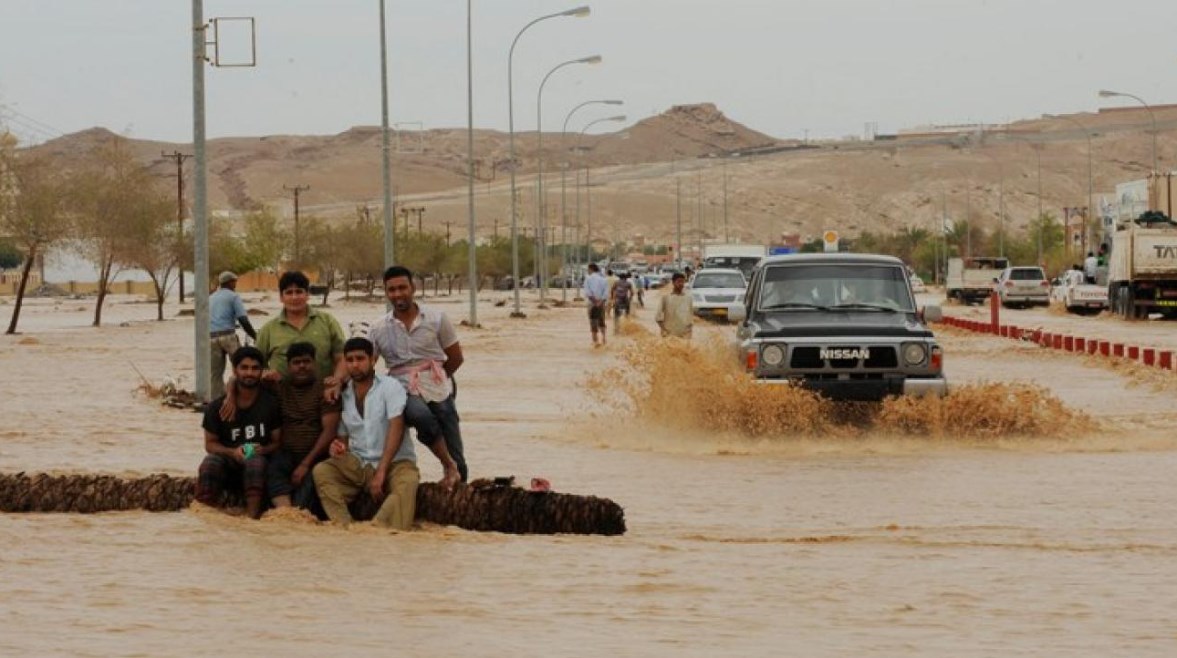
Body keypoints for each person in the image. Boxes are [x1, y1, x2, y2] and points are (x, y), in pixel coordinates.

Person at [368, 266, 464, 486]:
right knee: (420, 416)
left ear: (413, 288)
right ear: (386, 292)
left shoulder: (437, 319)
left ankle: (460, 488)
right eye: (392, 289)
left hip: (437, 385)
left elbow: (456, 357)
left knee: (453, 437)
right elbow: (368, 363)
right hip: (400, 388)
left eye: (402, 287)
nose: (397, 294)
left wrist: (438, 377)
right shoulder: (378, 328)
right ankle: (448, 465)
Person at [313, 337, 420, 530]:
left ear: (372, 360)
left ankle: (377, 528)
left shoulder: (390, 387)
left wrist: (381, 471)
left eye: (360, 359)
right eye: (350, 360)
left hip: (396, 462)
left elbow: (396, 426)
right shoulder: (343, 395)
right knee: (322, 471)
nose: (355, 365)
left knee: (408, 482)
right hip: (360, 463)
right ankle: (345, 526)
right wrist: (338, 448)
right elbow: (344, 439)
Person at [196, 346, 283, 520]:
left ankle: (251, 519)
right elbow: (210, 444)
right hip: (228, 461)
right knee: (209, 462)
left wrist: (263, 450)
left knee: (255, 462)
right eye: (244, 368)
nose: (249, 373)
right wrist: (232, 452)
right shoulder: (217, 407)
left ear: (261, 371)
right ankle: (204, 518)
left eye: (254, 368)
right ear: (235, 370)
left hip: (259, 463)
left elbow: (278, 442)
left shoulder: (271, 404)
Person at [265, 341, 341, 513]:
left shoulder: (326, 391)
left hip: (316, 458)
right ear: (288, 366)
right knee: (274, 466)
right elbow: (241, 379)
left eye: (306, 362)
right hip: (285, 457)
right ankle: (284, 512)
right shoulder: (279, 388)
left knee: (302, 508)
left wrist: (306, 464)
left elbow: (329, 431)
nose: (302, 367)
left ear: (314, 363)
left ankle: (296, 514)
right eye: (296, 363)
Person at [255, 270, 346, 384]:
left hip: (323, 396)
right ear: (281, 297)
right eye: (289, 292)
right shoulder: (269, 329)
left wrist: (337, 380)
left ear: (307, 294)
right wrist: (267, 375)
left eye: (299, 292)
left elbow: (342, 357)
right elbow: (255, 364)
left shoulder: (327, 322)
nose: (294, 297)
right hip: (281, 397)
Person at [208, 271, 257, 401]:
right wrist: (255, 335)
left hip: (211, 337)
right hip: (228, 337)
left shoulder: (211, 297)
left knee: (215, 373)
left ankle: (216, 401)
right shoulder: (233, 297)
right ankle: (239, 396)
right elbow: (243, 319)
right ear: (230, 282)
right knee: (240, 366)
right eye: (234, 282)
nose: (235, 284)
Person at [656, 272, 694, 338]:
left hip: (684, 335)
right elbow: (658, 317)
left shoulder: (688, 298)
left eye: (683, 282)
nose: (681, 284)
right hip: (669, 335)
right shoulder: (665, 297)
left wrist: (689, 331)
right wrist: (664, 330)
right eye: (679, 281)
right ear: (673, 282)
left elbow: (690, 316)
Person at [582, 262, 609, 347]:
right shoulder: (604, 279)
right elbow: (606, 293)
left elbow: (588, 293)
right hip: (601, 303)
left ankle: (595, 341)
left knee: (593, 321)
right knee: (602, 321)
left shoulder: (588, 279)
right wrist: (600, 302)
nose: (588, 271)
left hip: (592, 303)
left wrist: (595, 302)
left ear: (591, 269)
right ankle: (604, 338)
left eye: (588, 269)